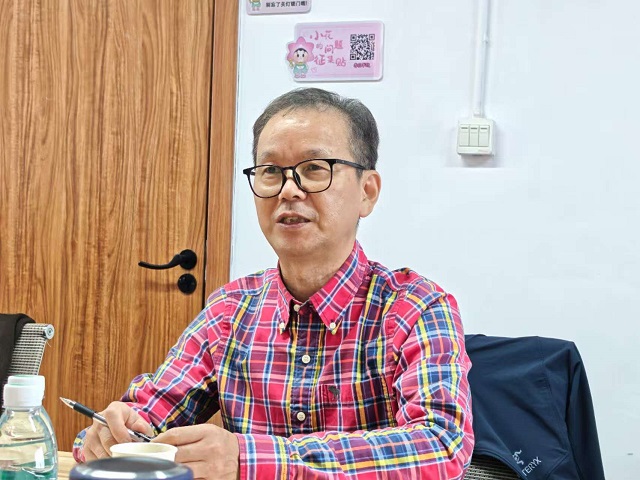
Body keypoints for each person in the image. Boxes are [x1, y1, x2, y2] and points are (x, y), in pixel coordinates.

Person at [73, 88, 474, 479]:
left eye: (314, 168)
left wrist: (250, 460)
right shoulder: (230, 310)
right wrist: (113, 434)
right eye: (270, 172)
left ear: (366, 192)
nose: (288, 190)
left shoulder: (416, 307)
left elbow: (441, 446)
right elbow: (150, 415)